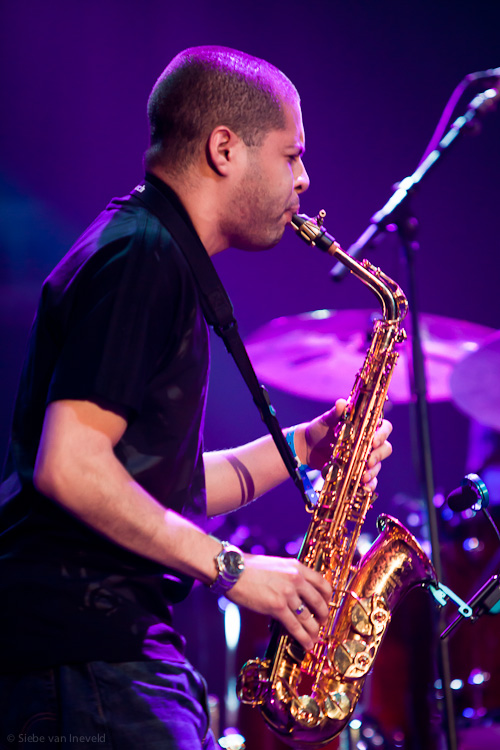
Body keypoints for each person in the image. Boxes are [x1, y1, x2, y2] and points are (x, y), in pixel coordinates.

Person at [0, 46, 393, 749]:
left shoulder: (147, 251)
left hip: (97, 661)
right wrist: (232, 569)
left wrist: (306, 448)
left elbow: (150, 484)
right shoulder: (144, 255)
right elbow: (69, 465)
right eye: (291, 155)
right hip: (88, 663)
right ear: (224, 148)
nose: (304, 180)